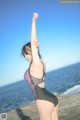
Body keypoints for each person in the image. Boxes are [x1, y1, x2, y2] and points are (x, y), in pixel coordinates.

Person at [22, 13, 58, 120]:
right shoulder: (41, 63)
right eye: (24, 55)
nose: (26, 57)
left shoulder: (36, 64)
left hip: (42, 99)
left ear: (34, 51)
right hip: (50, 98)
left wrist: (33, 21)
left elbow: (33, 43)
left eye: (27, 53)